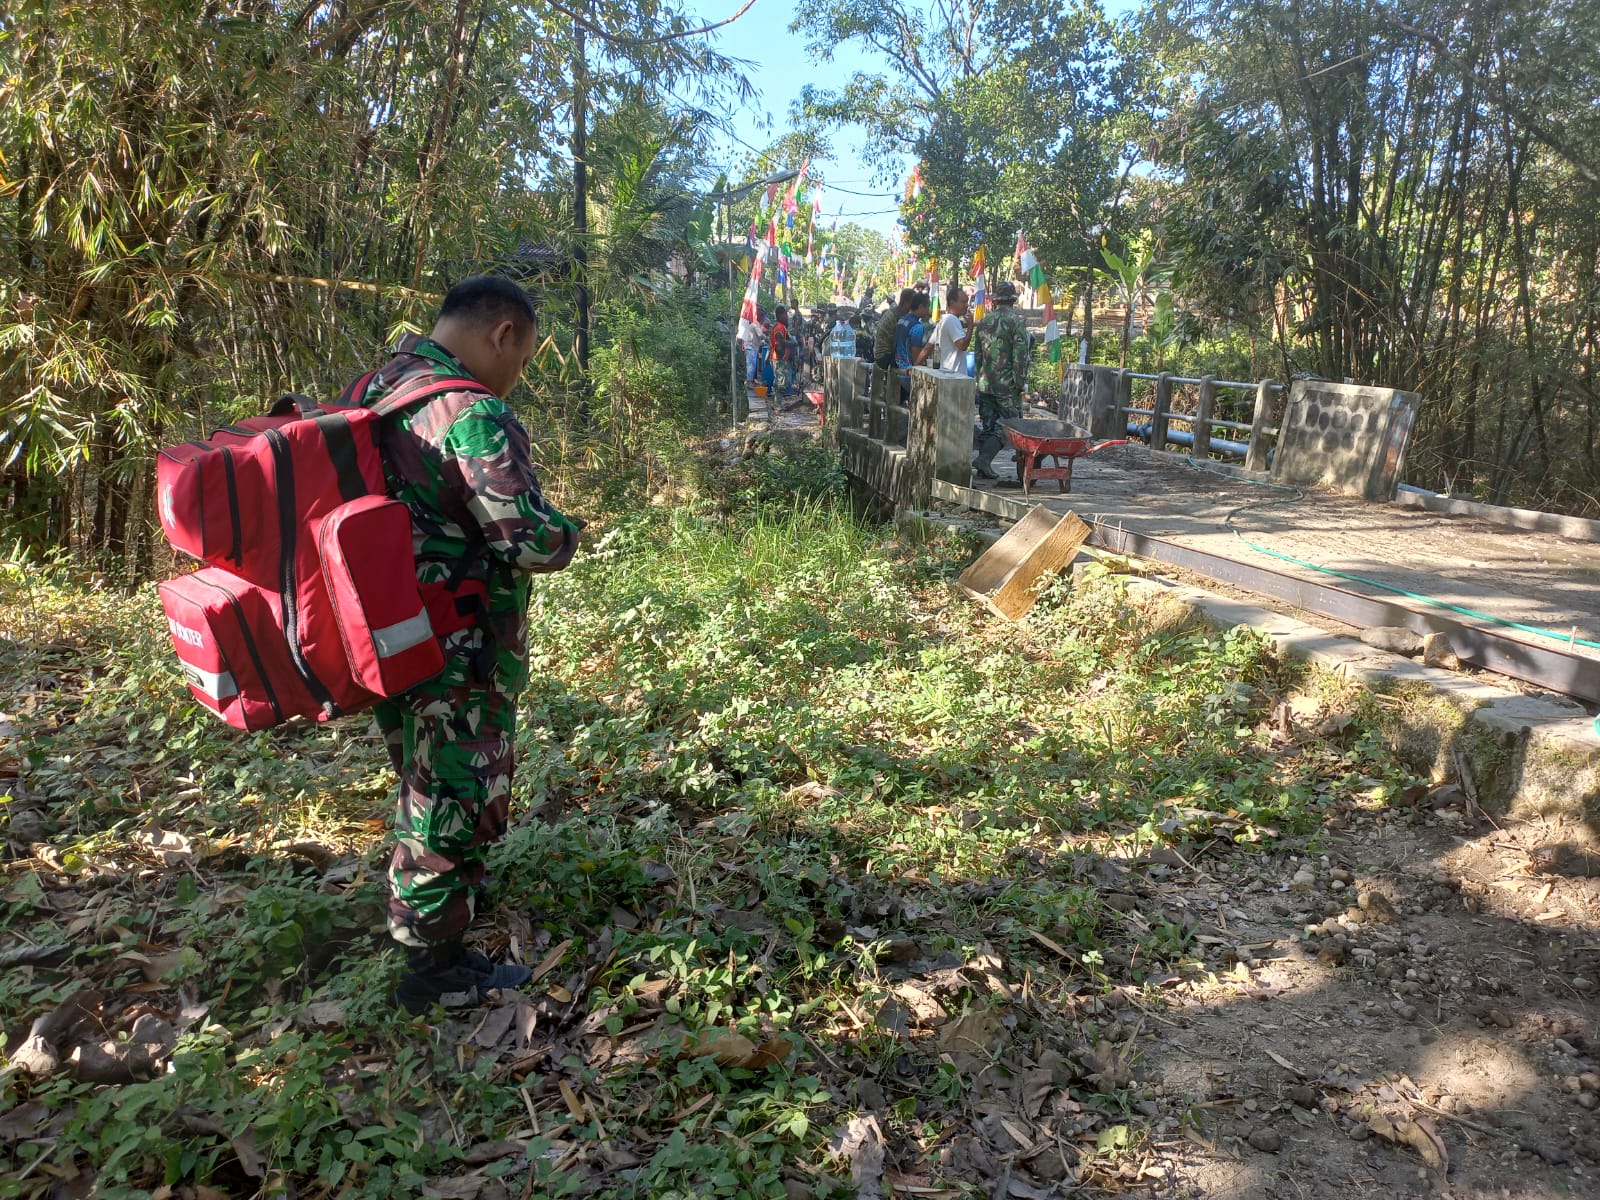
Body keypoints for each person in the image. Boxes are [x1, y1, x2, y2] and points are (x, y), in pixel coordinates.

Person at [350, 275, 583, 1013]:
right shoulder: (471, 411)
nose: (518, 374)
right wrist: (570, 531)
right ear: (502, 333)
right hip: (459, 646)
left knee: (424, 778)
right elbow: (527, 540)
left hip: (390, 633)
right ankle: (434, 971)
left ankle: (440, 920)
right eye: (524, 355)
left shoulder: (379, 386)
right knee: (450, 792)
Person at [969, 278, 1031, 481]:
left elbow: (977, 354)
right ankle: (984, 460)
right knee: (1009, 427)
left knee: (988, 424)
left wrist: (979, 377)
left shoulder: (984, 322)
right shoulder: (1016, 321)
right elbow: (1020, 355)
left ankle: (982, 466)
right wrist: (1020, 382)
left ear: (996, 300)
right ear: (1013, 300)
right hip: (1007, 384)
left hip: (986, 382)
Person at [894, 293, 933, 403]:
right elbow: (916, 353)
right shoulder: (917, 326)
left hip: (898, 366)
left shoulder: (902, 319)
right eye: (927, 306)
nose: (928, 310)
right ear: (921, 307)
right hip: (909, 371)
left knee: (900, 403)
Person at [930, 284, 971, 373]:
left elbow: (928, 346)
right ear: (952, 303)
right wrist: (970, 325)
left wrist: (915, 367)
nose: (966, 305)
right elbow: (962, 345)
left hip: (946, 374)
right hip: (954, 376)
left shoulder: (944, 319)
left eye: (967, 302)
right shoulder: (951, 319)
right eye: (963, 302)